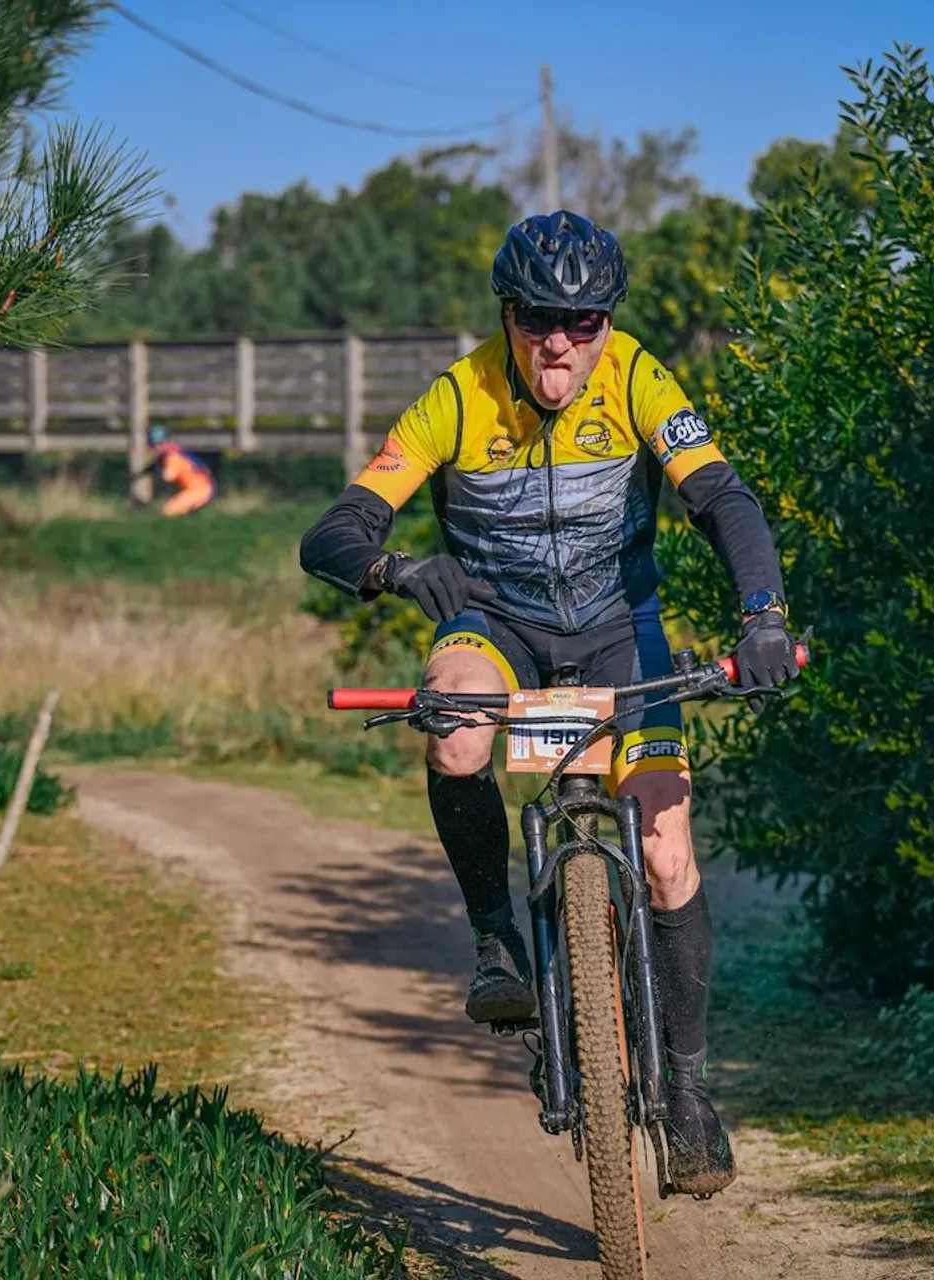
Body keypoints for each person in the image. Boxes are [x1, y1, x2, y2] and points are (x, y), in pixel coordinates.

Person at [298, 210, 799, 1197]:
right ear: (507, 316)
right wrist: (398, 570)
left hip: (620, 630)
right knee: (452, 726)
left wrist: (764, 617)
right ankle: (497, 936)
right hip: (496, 627)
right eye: (537, 318)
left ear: (608, 322)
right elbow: (335, 531)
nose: (559, 342)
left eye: (583, 320)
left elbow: (722, 499)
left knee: (667, 854)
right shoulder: (457, 395)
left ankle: (690, 1091)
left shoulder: (640, 378)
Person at [146, 423, 213, 517]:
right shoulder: (176, 451)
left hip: (199, 491)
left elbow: (169, 476)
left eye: (154, 445)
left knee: (168, 510)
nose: (153, 449)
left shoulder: (172, 456)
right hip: (199, 489)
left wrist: (157, 468)